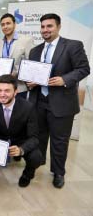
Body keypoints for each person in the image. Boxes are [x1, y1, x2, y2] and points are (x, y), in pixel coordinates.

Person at [27, 13, 90, 188]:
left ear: (58, 26)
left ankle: (58, 172)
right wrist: (30, 82)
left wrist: (65, 80)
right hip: (38, 102)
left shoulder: (72, 46)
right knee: (38, 137)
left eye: (49, 26)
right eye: (43, 27)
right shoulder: (35, 50)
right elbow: (33, 74)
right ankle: (35, 164)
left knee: (59, 141)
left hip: (62, 103)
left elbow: (84, 69)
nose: (45, 30)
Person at [0, 75, 42, 187]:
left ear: (15, 92)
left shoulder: (28, 107)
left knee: (36, 157)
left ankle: (27, 174)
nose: (2, 94)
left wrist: (21, 149)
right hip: (2, 135)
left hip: (21, 138)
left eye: (7, 91)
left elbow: (34, 137)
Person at [0, 13, 34, 98]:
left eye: (8, 23)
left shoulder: (26, 40)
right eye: (3, 25)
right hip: (3, 89)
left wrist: (16, 73)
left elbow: (31, 64)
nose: (5, 27)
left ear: (14, 24)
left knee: (19, 111)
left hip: (19, 87)